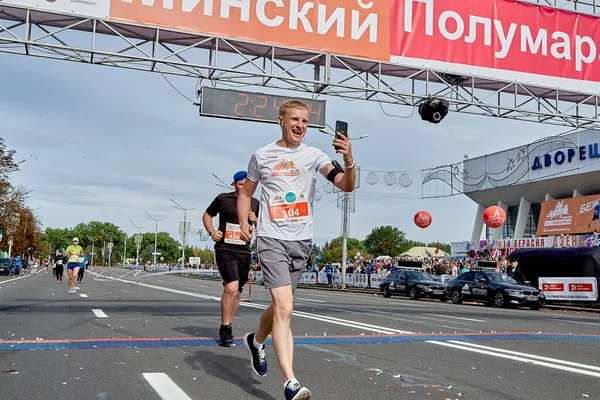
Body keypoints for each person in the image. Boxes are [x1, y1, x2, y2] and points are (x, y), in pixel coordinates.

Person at [237, 99, 356, 400]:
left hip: (301, 241)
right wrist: (243, 223)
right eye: (294, 119)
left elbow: (345, 185)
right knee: (286, 309)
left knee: (280, 306)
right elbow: (246, 194)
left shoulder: (314, 155)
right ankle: (290, 383)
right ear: (281, 121)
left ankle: (255, 340)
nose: (300, 126)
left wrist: (350, 160)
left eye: (305, 121)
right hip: (271, 239)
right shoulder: (262, 156)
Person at [203, 170, 260, 346]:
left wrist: (256, 219)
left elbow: (263, 226)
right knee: (231, 287)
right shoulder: (223, 199)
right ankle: (225, 326)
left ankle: (229, 324)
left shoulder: (255, 203)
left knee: (238, 291)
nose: (244, 188)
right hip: (225, 248)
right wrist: (212, 232)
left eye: (247, 185)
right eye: (241, 184)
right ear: (234, 184)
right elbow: (207, 215)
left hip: (243, 250)